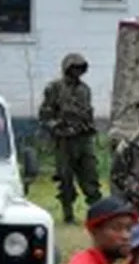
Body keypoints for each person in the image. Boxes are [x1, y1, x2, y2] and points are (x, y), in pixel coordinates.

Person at [37, 53, 101, 223]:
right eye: (74, 68)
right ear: (67, 68)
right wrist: (57, 127)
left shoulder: (85, 89)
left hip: (83, 139)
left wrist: (88, 125)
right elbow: (45, 115)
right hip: (64, 141)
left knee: (90, 176)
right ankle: (68, 214)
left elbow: (88, 112)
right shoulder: (54, 88)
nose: (77, 71)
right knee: (65, 178)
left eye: (80, 68)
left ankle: (97, 214)